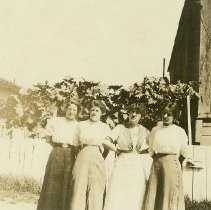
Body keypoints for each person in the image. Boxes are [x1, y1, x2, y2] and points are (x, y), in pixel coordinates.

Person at [103, 103, 152, 210]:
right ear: (128, 113)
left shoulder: (145, 131)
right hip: (122, 164)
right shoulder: (120, 128)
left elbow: (152, 147)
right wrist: (117, 150)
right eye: (131, 111)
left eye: (137, 112)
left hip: (138, 166)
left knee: (136, 194)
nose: (134, 114)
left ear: (141, 115)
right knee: (119, 193)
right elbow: (105, 141)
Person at [37, 98, 80, 210]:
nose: (71, 112)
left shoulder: (78, 125)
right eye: (69, 109)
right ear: (65, 109)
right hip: (57, 152)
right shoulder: (56, 121)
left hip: (71, 153)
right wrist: (58, 148)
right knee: (52, 181)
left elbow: (78, 143)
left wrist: (69, 150)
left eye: (74, 110)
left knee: (66, 182)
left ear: (77, 111)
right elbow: (48, 138)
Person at [143, 102, 188, 210]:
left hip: (171, 164)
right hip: (156, 164)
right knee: (154, 191)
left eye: (169, 114)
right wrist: (155, 157)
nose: (165, 116)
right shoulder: (155, 130)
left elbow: (184, 151)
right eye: (164, 113)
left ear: (174, 116)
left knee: (169, 192)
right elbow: (150, 147)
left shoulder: (179, 131)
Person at [70, 100, 111, 210]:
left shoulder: (105, 127)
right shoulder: (81, 125)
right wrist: (80, 155)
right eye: (92, 110)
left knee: (96, 187)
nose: (94, 112)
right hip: (83, 155)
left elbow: (107, 148)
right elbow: (75, 144)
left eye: (97, 110)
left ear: (101, 112)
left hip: (98, 155)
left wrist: (101, 157)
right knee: (79, 186)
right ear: (89, 111)